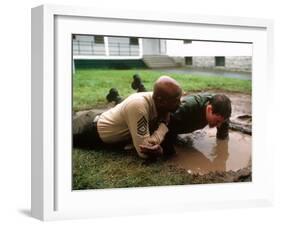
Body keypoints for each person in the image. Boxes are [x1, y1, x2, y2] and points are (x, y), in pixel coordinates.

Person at [73, 75, 182, 159]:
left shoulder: (158, 101)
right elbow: (144, 152)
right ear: (160, 100)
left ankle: (115, 96)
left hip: (107, 115)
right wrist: (163, 126)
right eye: (176, 100)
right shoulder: (138, 106)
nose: (180, 102)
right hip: (91, 130)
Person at [162, 93, 232, 155]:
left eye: (221, 122)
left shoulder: (222, 115)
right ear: (209, 109)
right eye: (217, 121)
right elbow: (165, 126)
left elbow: (222, 138)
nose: (219, 125)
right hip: (172, 122)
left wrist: (221, 153)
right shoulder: (185, 108)